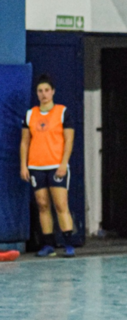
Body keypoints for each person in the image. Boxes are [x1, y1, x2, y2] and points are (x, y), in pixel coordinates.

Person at [20, 74, 76, 258]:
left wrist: (63, 164)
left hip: (56, 165)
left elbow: (69, 140)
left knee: (61, 204)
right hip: (36, 166)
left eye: (46, 90)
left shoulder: (62, 112)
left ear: (53, 92)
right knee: (42, 204)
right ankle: (48, 244)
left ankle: (68, 243)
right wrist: (24, 165)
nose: (43, 94)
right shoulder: (30, 114)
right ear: (36, 93)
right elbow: (25, 143)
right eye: (40, 91)